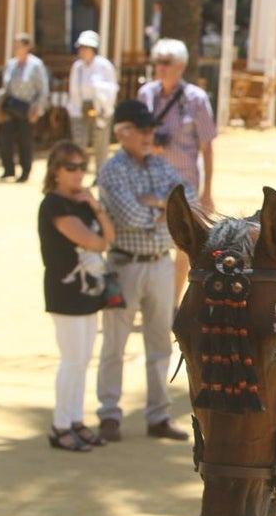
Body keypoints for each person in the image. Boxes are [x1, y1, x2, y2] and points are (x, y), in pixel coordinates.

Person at [95, 100, 191, 443]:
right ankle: (109, 413)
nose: (151, 135)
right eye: (144, 129)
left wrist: (153, 204)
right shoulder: (111, 169)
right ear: (123, 132)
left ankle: (159, 414)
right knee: (115, 345)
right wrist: (163, 208)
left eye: (152, 129)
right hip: (124, 265)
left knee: (159, 342)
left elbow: (187, 201)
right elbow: (127, 216)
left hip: (160, 265)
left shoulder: (160, 167)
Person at [39, 141, 116, 452]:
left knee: (83, 360)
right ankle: (60, 425)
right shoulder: (54, 205)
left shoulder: (83, 202)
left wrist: (95, 206)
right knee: (71, 360)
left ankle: (75, 420)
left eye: (82, 167)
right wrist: (97, 233)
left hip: (89, 290)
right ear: (55, 171)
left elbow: (108, 238)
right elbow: (93, 242)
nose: (78, 173)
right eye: (70, 167)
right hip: (65, 291)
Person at [137, 38, 217, 305]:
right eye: (157, 62)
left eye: (166, 63)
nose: (160, 67)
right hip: (150, 183)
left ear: (180, 66)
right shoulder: (146, 94)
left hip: (185, 186)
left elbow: (207, 147)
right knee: (149, 241)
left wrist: (207, 192)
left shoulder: (196, 99)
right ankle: (151, 299)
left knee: (183, 247)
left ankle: (171, 302)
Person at [0, 33, 49, 183]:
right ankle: (8, 169)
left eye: (19, 46)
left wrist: (37, 109)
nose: (16, 49)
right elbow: (5, 87)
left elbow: (43, 89)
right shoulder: (11, 64)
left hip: (27, 108)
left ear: (27, 47)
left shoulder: (36, 65)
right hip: (10, 106)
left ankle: (25, 171)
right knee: (6, 138)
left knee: (25, 141)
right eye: (15, 46)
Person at [67, 30, 118, 172]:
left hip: (100, 108)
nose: (82, 51)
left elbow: (112, 87)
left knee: (100, 143)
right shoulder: (77, 67)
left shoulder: (104, 65)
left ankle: (100, 173)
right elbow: (73, 90)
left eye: (85, 48)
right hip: (81, 108)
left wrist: (99, 91)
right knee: (79, 143)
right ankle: (80, 170)